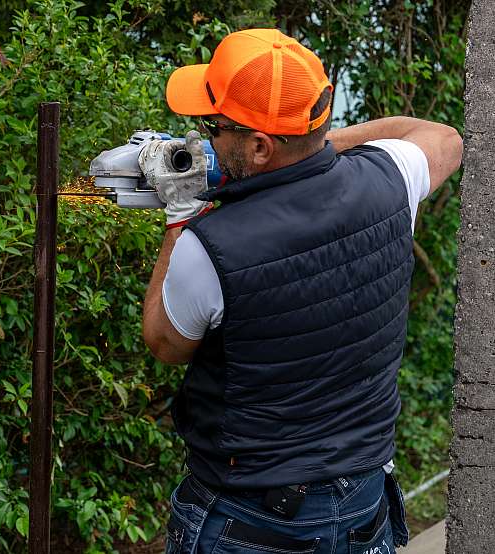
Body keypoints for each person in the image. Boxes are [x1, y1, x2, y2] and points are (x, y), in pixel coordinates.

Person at [138, 28, 463, 554]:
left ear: (260, 145)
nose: (202, 141)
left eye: (212, 127)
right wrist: (310, 150)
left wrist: (180, 216)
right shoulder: (391, 183)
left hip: (250, 517)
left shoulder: (207, 247)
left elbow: (164, 343)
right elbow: (442, 137)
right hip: (364, 502)